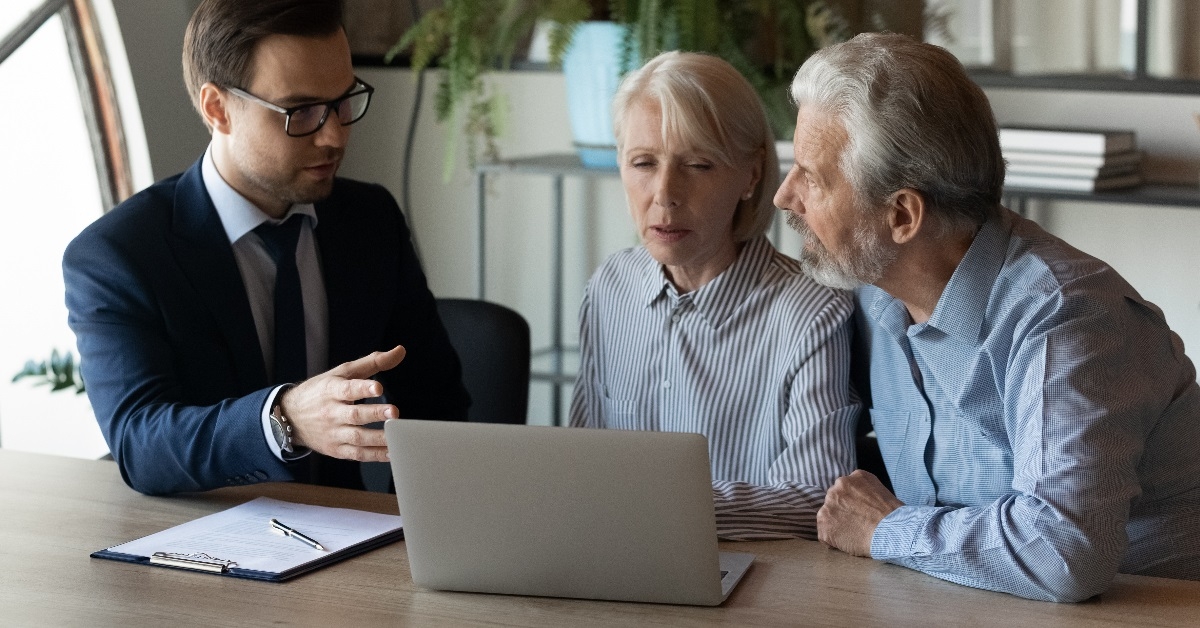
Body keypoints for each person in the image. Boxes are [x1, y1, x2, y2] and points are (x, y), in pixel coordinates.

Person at [773, 32, 1200, 601]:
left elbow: (1062, 551)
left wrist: (884, 528)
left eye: (813, 177)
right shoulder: (877, 292)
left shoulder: (1067, 318)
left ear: (903, 215)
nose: (784, 197)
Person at [63, 0, 468, 496]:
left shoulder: (370, 220)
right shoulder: (120, 255)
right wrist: (283, 419)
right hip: (206, 550)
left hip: (354, 542)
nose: (334, 135)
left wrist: (411, 530)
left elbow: (438, 404)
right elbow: (140, 443)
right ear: (217, 109)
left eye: (343, 101)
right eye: (301, 112)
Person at [570, 51, 859, 541]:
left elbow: (818, 497)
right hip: (609, 561)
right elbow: (579, 465)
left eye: (698, 165)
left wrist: (657, 509)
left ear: (751, 175)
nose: (664, 193)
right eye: (643, 162)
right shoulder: (610, 288)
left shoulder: (811, 313)